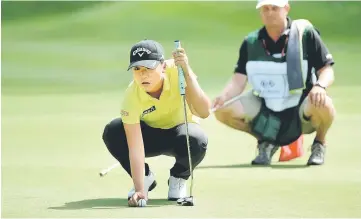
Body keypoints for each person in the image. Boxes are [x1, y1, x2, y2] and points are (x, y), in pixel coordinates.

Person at [212, 0, 336, 166]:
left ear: (286, 9)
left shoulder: (305, 35)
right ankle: (267, 140)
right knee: (222, 111)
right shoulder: (251, 41)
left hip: (301, 107)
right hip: (266, 105)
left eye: (274, 8)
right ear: (260, 12)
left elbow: (326, 70)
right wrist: (223, 97)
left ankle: (319, 144)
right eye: (265, 9)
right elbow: (238, 80)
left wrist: (320, 86)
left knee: (325, 104)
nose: (270, 13)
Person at [102, 39, 211, 207]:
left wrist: (187, 72)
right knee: (113, 131)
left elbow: (204, 112)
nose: (143, 74)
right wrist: (140, 189)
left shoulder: (178, 71)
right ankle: (145, 178)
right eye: (137, 69)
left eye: (149, 68)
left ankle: (179, 177)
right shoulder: (131, 95)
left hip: (180, 134)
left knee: (197, 138)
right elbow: (135, 147)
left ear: (163, 66)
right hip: (149, 137)